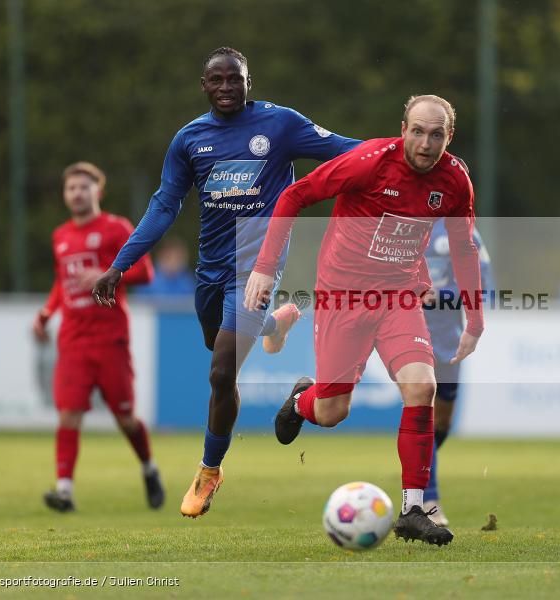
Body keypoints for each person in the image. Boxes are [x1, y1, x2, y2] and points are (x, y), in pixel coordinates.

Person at [92, 47, 361, 518]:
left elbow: (346, 149)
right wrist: (121, 263)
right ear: (203, 85)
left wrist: (405, 153)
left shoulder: (279, 124)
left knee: (221, 373)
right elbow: (164, 205)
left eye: (234, 79)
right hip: (211, 271)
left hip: (256, 270)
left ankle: (209, 470)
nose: (225, 87)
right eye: (216, 80)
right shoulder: (189, 139)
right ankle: (275, 326)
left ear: (248, 82)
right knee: (217, 351)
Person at [246, 94, 485, 546]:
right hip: (343, 296)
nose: (425, 143)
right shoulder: (369, 162)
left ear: (449, 137)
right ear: (403, 128)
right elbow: (295, 195)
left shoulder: (455, 180)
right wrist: (263, 267)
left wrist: (475, 318)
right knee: (332, 411)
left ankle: (413, 510)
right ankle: (301, 400)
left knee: (422, 388)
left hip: (399, 296)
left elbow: (464, 247)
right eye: (418, 131)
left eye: (436, 134)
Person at [33, 161, 162, 512]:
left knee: (126, 419)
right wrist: (46, 313)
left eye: (83, 187)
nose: (77, 193)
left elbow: (145, 272)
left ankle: (149, 469)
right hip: (73, 340)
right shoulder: (61, 235)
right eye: (71, 188)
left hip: (110, 338)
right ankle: (64, 491)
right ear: (64, 195)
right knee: (68, 414)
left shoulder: (116, 228)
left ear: (98, 191)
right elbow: (63, 282)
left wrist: (105, 274)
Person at [421, 219, 493, 527]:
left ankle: (416, 463)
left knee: (441, 423)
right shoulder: (399, 223)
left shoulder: (461, 230)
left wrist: (439, 297)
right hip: (408, 333)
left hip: (448, 340)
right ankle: (428, 499)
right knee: (421, 410)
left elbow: (482, 289)